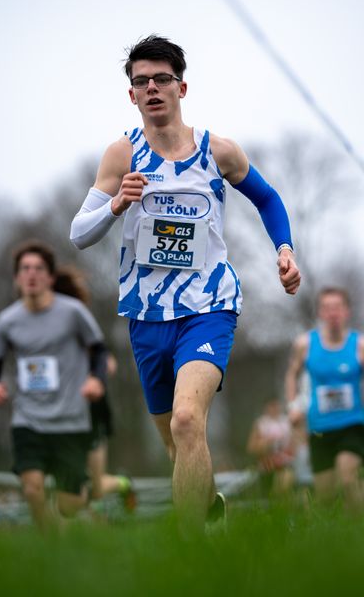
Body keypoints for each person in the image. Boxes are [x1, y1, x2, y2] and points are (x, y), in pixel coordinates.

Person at [70, 35, 301, 533]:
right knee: (179, 446)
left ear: (182, 87)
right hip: (146, 317)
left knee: (187, 421)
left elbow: (268, 200)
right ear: (131, 95)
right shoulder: (121, 155)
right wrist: (115, 205)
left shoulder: (218, 151)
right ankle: (208, 510)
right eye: (141, 82)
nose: (152, 88)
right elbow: (79, 233)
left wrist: (283, 250)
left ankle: (189, 549)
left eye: (162, 79)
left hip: (209, 305)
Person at [0, 240, 108, 529]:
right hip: (29, 419)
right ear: (17, 277)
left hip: (71, 421)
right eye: (25, 269)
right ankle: (51, 553)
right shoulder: (8, 321)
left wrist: (96, 379)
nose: (31, 274)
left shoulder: (73, 312)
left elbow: (100, 351)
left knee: (70, 505)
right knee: (32, 489)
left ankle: (83, 510)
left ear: (50, 277)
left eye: (38, 269)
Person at [53, 266, 137, 513]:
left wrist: (92, 375)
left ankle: (124, 484)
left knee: (97, 489)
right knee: (69, 502)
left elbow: (108, 363)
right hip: (58, 418)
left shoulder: (80, 326)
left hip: (91, 414)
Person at [285, 287, 364, 512]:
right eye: (327, 308)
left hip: (353, 424)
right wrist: (293, 406)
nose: (333, 313)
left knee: (348, 477)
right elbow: (292, 374)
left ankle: (358, 533)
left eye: (337, 308)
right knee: (325, 497)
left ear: (346, 311)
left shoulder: (359, 346)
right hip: (319, 428)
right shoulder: (305, 345)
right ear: (320, 312)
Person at [247, 399, 295, 499]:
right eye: (271, 406)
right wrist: (267, 442)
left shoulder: (287, 422)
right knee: (268, 495)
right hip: (267, 466)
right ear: (267, 407)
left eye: (276, 405)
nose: (274, 409)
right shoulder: (261, 424)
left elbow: (294, 444)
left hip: (284, 464)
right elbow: (251, 448)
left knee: (284, 490)